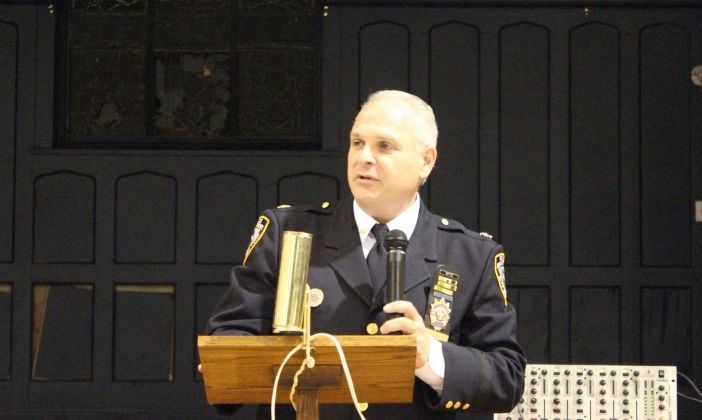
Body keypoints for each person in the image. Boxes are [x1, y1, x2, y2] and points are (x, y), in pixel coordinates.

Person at [205, 90, 526, 418]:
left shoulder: (470, 255)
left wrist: (429, 357)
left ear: (426, 160)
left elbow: (506, 378)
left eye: (384, 146)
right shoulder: (288, 233)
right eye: (357, 143)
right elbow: (230, 339)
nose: (364, 157)